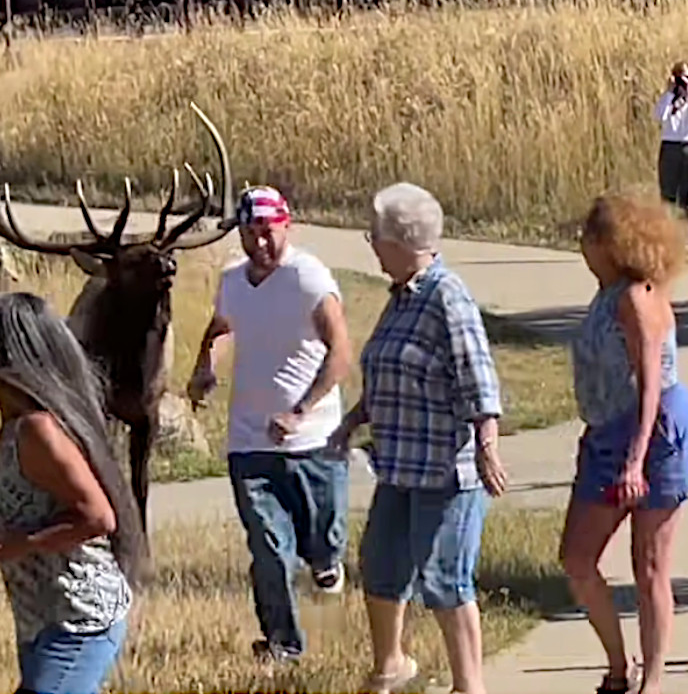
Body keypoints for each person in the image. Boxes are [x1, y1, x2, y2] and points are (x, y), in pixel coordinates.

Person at [329, 182, 508, 694]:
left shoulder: (445, 295)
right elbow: (390, 371)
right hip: (400, 463)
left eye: (375, 237)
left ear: (402, 241)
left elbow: (477, 375)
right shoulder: (402, 298)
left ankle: (468, 685)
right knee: (381, 565)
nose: (371, 246)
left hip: (447, 468)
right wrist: (353, 420)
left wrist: (488, 444)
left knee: (445, 578)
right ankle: (391, 665)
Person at [0, 292, 149, 694]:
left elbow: (98, 518)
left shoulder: (39, 430)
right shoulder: (15, 426)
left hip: (79, 619)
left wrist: (3, 548)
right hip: (42, 619)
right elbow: (40, 506)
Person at [185, 185, 353, 663]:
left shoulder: (309, 278)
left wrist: (300, 412)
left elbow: (341, 352)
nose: (259, 243)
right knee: (269, 548)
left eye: (267, 232)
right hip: (249, 442)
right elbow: (222, 328)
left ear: (286, 226)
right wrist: (206, 366)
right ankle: (283, 645)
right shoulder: (233, 281)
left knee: (324, 539)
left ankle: (326, 561)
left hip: (314, 440)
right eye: (249, 233)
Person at [561, 192, 688, 694]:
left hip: (652, 437)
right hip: (605, 435)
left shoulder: (638, 296)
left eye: (587, 240)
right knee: (577, 558)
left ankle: (651, 682)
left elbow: (652, 381)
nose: (582, 250)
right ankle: (619, 665)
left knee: (650, 564)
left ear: (610, 243)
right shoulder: (605, 291)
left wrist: (637, 459)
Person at [654, 62, 688, 210]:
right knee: (668, 195)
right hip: (669, 147)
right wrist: (669, 92)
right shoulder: (667, 99)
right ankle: (667, 228)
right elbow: (660, 116)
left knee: (686, 195)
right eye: (679, 77)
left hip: (687, 147)